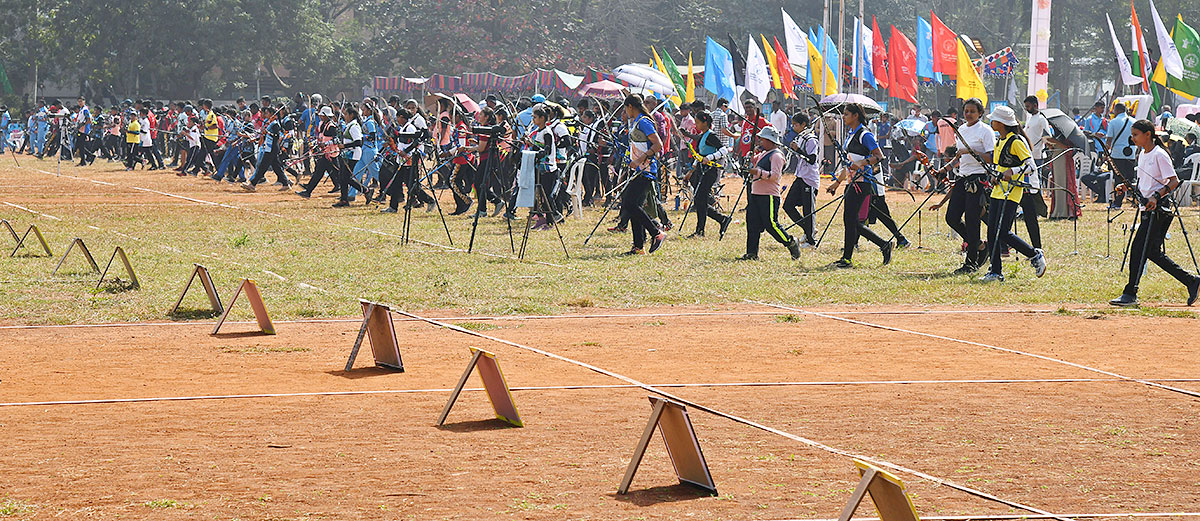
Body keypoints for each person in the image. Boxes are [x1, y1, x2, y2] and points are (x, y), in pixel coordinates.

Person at [1110, 119, 1200, 307]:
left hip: (1159, 210)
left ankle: (1130, 293)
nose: (1133, 138)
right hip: (1148, 210)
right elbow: (1144, 185)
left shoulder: (1159, 154)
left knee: (1138, 250)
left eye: (1136, 135)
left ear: (1147, 135)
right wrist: (1127, 187)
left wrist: (1156, 197)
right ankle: (1192, 281)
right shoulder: (1143, 154)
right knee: (1152, 252)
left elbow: (1173, 181)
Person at [980, 106, 1047, 282]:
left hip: (1011, 193)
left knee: (1002, 231)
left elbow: (1031, 167)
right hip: (997, 191)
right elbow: (999, 167)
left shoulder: (1016, 142)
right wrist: (996, 176)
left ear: (1001, 123)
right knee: (992, 232)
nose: (990, 122)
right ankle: (995, 271)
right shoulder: (999, 141)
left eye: (993, 119)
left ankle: (1034, 255)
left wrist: (1012, 171)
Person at [931, 98, 994, 273]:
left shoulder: (985, 131)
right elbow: (959, 157)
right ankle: (980, 245)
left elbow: (992, 157)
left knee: (972, 220)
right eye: (966, 111)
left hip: (978, 178)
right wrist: (944, 169)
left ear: (980, 113)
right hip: (963, 177)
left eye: (972, 111)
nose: (968, 114)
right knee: (951, 217)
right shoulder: (962, 129)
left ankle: (971, 262)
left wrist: (970, 151)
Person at [827, 103, 892, 268]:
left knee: (851, 220)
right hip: (852, 181)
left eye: (846, 114)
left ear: (856, 115)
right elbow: (848, 163)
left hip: (862, 182)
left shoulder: (865, 134)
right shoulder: (851, 134)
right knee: (852, 221)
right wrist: (837, 183)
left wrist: (862, 162)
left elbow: (879, 156)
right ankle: (883, 245)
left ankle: (848, 258)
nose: (844, 116)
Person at [741, 126, 801, 260]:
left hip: (769, 195)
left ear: (770, 140)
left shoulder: (777, 156)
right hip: (755, 192)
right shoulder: (763, 153)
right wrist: (750, 158)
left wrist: (757, 172)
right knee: (752, 223)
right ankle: (751, 253)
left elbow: (775, 176)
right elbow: (753, 162)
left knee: (771, 224)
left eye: (763, 140)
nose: (761, 142)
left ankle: (790, 242)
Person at [617, 94, 666, 255]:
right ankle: (638, 247)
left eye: (626, 108)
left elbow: (658, 144)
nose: (626, 111)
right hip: (637, 169)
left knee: (629, 204)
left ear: (630, 106)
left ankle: (656, 233)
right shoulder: (636, 121)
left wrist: (639, 160)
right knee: (632, 206)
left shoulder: (644, 121)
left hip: (646, 170)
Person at [685, 110, 732, 238]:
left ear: (705, 123)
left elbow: (724, 149)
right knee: (700, 200)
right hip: (700, 170)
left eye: (698, 122)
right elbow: (699, 155)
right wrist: (691, 170)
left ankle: (701, 230)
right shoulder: (702, 136)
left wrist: (711, 157)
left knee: (700, 199)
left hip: (710, 171)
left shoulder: (711, 136)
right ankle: (721, 219)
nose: (696, 125)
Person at [783, 112, 819, 247]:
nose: (793, 127)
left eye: (795, 124)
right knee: (788, 206)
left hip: (809, 178)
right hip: (800, 175)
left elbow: (812, 159)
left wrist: (798, 149)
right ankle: (809, 230)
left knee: (808, 210)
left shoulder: (811, 139)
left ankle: (811, 241)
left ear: (803, 124)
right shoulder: (800, 137)